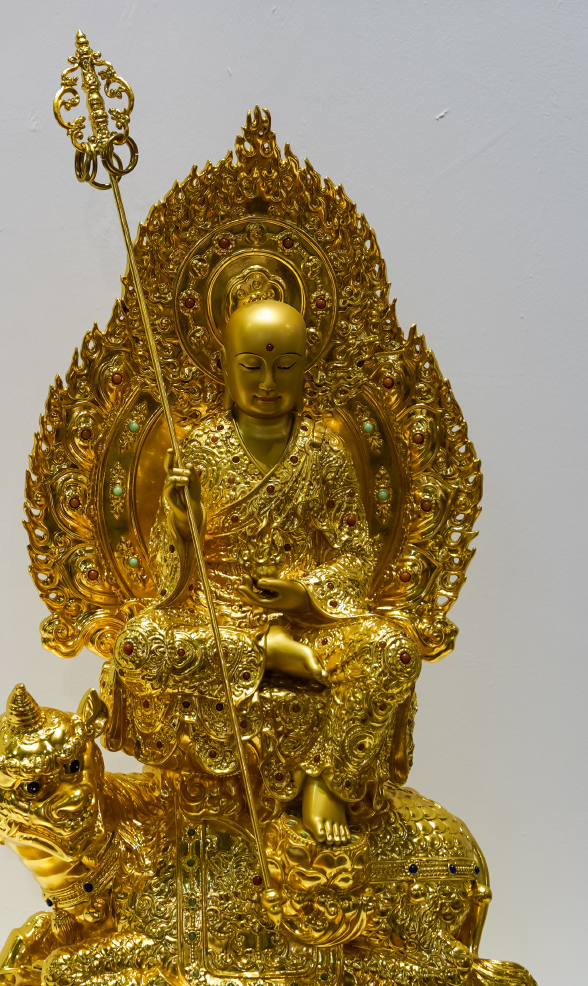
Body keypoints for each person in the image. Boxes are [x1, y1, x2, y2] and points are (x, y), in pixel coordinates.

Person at [110, 299, 420, 843]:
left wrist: (305, 595)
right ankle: (264, 652)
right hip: (215, 620)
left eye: (285, 366)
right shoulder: (199, 448)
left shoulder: (323, 452)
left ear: (307, 367)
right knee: (136, 645)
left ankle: (329, 782)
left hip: (307, 627)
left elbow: (356, 557)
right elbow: (166, 577)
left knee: (395, 650)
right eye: (252, 366)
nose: (269, 382)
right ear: (224, 366)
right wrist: (182, 527)